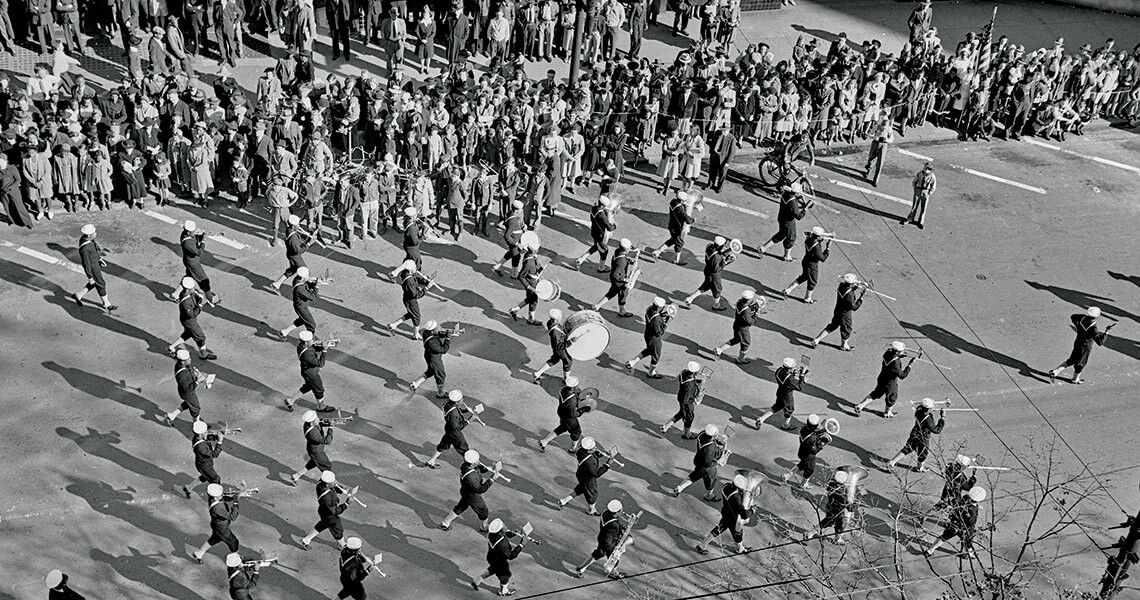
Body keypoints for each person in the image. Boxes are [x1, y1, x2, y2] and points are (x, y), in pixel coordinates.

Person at [1048, 306, 1113, 384]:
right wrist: (1106, 332)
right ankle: (1075, 379)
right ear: (1096, 316)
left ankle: (1056, 371)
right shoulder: (1093, 329)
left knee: (1072, 359)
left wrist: (1077, 325)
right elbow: (1100, 342)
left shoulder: (1082, 318)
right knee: (1081, 364)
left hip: (1078, 342)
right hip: (1085, 347)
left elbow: (1073, 316)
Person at [694, 474, 754, 555]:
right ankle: (740, 549)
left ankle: (702, 545)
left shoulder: (726, 486)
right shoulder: (735, 497)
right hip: (733, 517)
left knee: (719, 528)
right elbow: (744, 514)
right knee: (738, 533)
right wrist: (753, 509)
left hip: (726, 512)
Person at [853, 342, 917, 417]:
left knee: (876, 393)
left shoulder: (887, 353)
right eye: (901, 351)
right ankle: (887, 413)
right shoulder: (895, 363)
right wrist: (910, 365)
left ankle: (860, 406)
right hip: (890, 382)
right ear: (897, 352)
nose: (903, 352)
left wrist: (900, 355)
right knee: (892, 397)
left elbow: (894, 357)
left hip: (882, 377)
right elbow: (902, 375)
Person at [470, 518, 531, 595]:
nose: (506, 527)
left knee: (494, 568)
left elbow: (506, 533)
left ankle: (477, 580)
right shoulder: (502, 544)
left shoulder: (491, 534)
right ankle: (502, 591)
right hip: (500, 560)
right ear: (500, 532)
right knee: (506, 575)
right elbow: (511, 555)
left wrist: (514, 533)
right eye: (504, 526)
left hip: (491, 557)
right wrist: (521, 544)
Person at [884, 398, 945, 472]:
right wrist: (942, 418)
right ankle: (920, 468)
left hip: (915, 432)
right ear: (928, 409)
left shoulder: (918, 410)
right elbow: (936, 430)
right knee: (923, 452)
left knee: (908, 448)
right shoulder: (928, 419)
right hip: (923, 436)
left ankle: (892, 462)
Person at [440, 449, 495, 531]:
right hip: (473, 496)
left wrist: (487, 469)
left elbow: (478, 470)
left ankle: (445, 522)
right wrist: (492, 479)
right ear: (472, 463)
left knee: (461, 507)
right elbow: (480, 489)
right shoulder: (471, 478)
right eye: (477, 461)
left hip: (466, 491)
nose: (479, 461)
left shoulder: (466, 465)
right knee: (483, 511)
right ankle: (484, 527)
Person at [573, 499, 630, 578]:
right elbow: (613, 532)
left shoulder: (605, 513)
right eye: (621, 511)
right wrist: (615, 549)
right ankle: (613, 572)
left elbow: (613, 523)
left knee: (598, 553)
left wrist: (622, 526)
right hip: (608, 543)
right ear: (617, 512)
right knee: (614, 558)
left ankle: (581, 568)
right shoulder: (614, 525)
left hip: (602, 537)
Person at [283, 331, 337, 412]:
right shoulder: (306, 354)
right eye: (311, 340)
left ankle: (290, 400)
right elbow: (320, 363)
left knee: (308, 386)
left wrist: (321, 346)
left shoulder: (302, 346)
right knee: (319, 390)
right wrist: (324, 350)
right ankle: (321, 407)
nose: (313, 341)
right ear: (306, 342)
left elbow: (313, 348)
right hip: (311, 374)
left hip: (307, 372)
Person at [809, 274, 865, 351]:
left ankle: (817, 339)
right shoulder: (850, 295)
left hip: (838, 310)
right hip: (845, 314)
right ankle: (844, 345)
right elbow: (854, 307)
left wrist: (855, 288)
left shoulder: (841, 286)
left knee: (833, 325)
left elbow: (848, 289)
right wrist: (860, 299)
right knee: (847, 329)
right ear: (851, 283)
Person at [557, 437, 612, 514]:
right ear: (589, 450)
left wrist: (600, 454)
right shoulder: (590, 462)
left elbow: (592, 454)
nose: (596, 448)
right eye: (593, 448)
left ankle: (564, 500)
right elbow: (596, 473)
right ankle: (591, 510)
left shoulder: (581, 450)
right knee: (593, 494)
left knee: (581, 488)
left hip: (581, 474)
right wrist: (607, 465)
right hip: (588, 477)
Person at [925, 486, 985, 557]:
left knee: (944, 537)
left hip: (954, 523)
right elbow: (971, 523)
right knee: (968, 541)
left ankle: (930, 550)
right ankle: (970, 554)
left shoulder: (965, 498)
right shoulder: (973, 512)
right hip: (964, 528)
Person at [671, 424, 724, 500]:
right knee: (711, 479)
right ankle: (709, 495)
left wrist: (716, 442)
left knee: (695, 475)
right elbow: (708, 463)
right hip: (706, 467)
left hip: (698, 460)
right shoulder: (710, 448)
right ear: (713, 436)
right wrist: (718, 461)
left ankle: (680, 487)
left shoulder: (701, 435)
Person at [168, 277, 217, 360]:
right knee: (201, 337)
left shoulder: (186, 293)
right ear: (187, 290)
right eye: (192, 288)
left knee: (188, 334)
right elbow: (192, 314)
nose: (194, 289)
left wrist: (202, 298)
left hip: (187, 321)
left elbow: (195, 296)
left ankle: (172, 347)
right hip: (190, 322)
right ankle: (203, 354)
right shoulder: (186, 303)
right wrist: (200, 305)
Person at [300, 470, 351, 550]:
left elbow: (333, 487)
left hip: (323, 511)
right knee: (338, 529)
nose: (334, 482)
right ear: (327, 484)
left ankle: (306, 540)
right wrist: (347, 504)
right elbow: (335, 511)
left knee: (323, 524)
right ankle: (343, 545)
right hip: (330, 514)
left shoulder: (320, 484)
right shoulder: (327, 497)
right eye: (333, 481)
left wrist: (343, 490)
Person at [72, 224, 117, 312]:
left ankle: (79, 295)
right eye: (93, 233)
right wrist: (90, 277)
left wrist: (99, 259)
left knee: (95, 283)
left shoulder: (87, 239)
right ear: (89, 235)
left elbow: (94, 251)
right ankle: (106, 304)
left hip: (95, 263)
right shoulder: (85, 248)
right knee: (101, 284)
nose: (95, 234)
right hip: (93, 268)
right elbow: (86, 263)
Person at [424, 390, 474, 468]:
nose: (463, 400)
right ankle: (470, 465)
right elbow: (456, 428)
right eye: (461, 399)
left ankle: (431, 461)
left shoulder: (448, 404)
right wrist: (469, 420)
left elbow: (456, 411)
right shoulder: (453, 414)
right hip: (454, 433)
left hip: (448, 428)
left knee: (443, 445)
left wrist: (465, 410)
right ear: (456, 402)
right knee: (463, 448)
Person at [625, 298, 672, 378]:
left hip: (647, 334)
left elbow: (657, 316)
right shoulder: (657, 319)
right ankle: (651, 372)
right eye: (663, 307)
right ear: (659, 308)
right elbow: (659, 333)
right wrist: (667, 323)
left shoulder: (649, 309)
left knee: (650, 350)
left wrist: (664, 314)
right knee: (656, 355)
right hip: (654, 339)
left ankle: (632, 362)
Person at [192, 483, 240, 563]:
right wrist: (236, 502)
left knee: (215, 539)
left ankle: (199, 553)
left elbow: (223, 499)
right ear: (215, 496)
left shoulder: (214, 499)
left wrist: (233, 496)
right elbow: (232, 517)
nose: (222, 495)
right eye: (221, 494)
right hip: (222, 528)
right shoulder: (217, 508)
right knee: (234, 542)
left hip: (217, 526)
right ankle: (235, 560)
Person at [682, 236, 733, 310]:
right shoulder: (717, 257)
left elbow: (718, 253)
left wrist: (728, 251)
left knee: (706, 286)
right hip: (714, 275)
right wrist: (726, 262)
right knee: (717, 289)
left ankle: (689, 299)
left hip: (707, 270)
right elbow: (717, 268)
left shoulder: (709, 247)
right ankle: (716, 305)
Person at [781, 228, 831, 303]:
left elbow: (814, 242)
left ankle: (788, 290)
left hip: (806, 261)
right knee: (813, 281)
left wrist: (819, 241)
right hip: (812, 265)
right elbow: (822, 258)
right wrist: (828, 248)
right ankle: (808, 298)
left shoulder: (809, 239)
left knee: (804, 277)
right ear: (817, 237)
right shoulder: (816, 246)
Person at [758, 184, 807, 261]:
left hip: (781, 217)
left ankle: (763, 248)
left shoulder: (786, 194)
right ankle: (787, 256)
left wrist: (798, 197)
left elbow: (792, 199)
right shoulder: (793, 203)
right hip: (788, 222)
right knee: (791, 238)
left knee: (781, 234)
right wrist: (805, 209)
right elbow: (798, 216)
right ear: (796, 193)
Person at [753, 357, 806, 430]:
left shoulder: (778, 371)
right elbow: (800, 387)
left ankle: (761, 419)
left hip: (780, 391)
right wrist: (802, 375)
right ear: (790, 368)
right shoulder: (790, 380)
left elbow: (786, 377)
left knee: (777, 406)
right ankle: (786, 425)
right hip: (787, 396)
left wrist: (793, 374)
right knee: (789, 410)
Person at [590, 238, 638, 316]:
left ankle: (598, 305)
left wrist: (630, 261)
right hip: (619, 281)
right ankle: (622, 311)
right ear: (626, 250)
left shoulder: (617, 251)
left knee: (612, 292)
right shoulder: (622, 262)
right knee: (623, 295)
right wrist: (626, 279)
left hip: (615, 280)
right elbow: (615, 274)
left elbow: (623, 259)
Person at [714, 290, 762, 363]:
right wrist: (756, 314)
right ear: (749, 299)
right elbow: (750, 322)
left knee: (736, 339)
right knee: (746, 343)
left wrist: (753, 308)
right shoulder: (746, 311)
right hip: (743, 329)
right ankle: (740, 359)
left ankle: (719, 349)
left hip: (737, 325)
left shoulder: (739, 302)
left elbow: (746, 310)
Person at [538, 376, 584, 452]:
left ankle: (544, 441)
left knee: (563, 427)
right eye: (576, 386)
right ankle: (573, 448)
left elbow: (571, 397)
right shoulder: (572, 402)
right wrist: (583, 410)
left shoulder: (563, 390)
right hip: (568, 417)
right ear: (573, 388)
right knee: (576, 432)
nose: (578, 387)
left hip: (561, 411)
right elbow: (573, 414)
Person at [652, 191, 699, 265]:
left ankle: (658, 251)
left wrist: (684, 205)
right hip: (677, 228)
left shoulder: (673, 202)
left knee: (673, 240)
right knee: (679, 243)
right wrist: (693, 220)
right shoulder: (680, 210)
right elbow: (688, 220)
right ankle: (677, 260)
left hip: (672, 226)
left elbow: (679, 206)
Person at [387, 260, 431, 339]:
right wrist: (426, 289)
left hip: (407, 298)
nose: (416, 268)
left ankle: (394, 325)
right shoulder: (409, 282)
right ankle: (415, 334)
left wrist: (423, 280)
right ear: (410, 269)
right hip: (411, 301)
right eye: (414, 267)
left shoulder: (405, 273)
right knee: (417, 317)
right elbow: (415, 295)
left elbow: (415, 278)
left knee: (411, 314)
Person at [409, 320, 452, 398]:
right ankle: (440, 393)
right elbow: (443, 350)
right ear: (432, 330)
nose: (438, 328)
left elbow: (436, 334)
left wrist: (445, 333)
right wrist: (448, 339)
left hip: (429, 356)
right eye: (437, 327)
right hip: (434, 359)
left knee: (431, 371)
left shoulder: (426, 333)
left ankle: (416, 383)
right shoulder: (432, 343)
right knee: (441, 375)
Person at [660, 361, 704, 438]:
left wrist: (697, 382)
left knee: (682, 413)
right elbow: (686, 399)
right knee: (689, 417)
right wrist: (696, 400)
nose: (699, 372)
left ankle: (666, 426)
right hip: (687, 403)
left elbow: (690, 381)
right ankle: (686, 434)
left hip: (680, 396)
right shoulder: (689, 386)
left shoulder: (684, 373)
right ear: (694, 373)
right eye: (697, 371)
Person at [182, 420, 223, 498]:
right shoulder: (201, 447)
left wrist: (215, 436)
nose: (207, 433)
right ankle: (215, 496)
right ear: (200, 434)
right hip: (205, 465)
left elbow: (206, 438)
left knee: (205, 476)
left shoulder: (197, 437)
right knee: (215, 478)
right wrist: (219, 442)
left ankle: (188, 488)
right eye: (206, 432)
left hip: (202, 463)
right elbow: (214, 454)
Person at [290, 410, 334, 482]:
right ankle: (325, 483)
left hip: (314, 450)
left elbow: (320, 423)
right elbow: (327, 441)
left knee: (314, 463)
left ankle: (297, 475)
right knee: (327, 467)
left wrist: (328, 422)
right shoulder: (312, 433)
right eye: (316, 419)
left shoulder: (311, 424)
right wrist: (331, 428)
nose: (318, 419)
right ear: (311, 423)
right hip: (317, 452)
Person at [574, 196, 617, 271]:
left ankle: (581, 259)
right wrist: (615, 225)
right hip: (601, 235)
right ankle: (601, 267)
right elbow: (609, 228)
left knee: (596, 247)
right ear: (603, 205)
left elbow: (600, 214)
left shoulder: (593, 208)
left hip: (594, 232)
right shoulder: (602, 215)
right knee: (604, 251)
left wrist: (607, 211)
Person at [270, 215, 312, 291]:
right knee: (305, 271)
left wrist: (305, 238)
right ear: (293, 226)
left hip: (291, 254)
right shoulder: (293, 237)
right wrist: (308, 244)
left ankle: (277, 284)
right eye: (297, 225)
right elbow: (298, 250)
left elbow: (297, 241)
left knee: (292, 270)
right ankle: (303, 290)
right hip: (295, 256)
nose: (299, 226)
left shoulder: (289, 231)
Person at [279, 267, 324, 337]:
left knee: (303, 320)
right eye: (308, 276)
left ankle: (285, 331)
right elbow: (312, 297)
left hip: (301, 306)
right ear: (303, 278)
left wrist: (313, 282)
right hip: (301, 308)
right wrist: (317, 286)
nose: (309, 277)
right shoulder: (300, 289)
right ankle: (308, 339)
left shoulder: (297, 280)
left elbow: (306, 283)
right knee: (311, 324)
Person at [165, 348, 206, 424]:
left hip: (183, 391)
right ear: (183, 362)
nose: (190, 359)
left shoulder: (180, 366)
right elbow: (188, 389)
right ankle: (196, 424)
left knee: (190, 403)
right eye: (188, 359)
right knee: (196, 408)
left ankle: (173, 414)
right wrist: (198, 381)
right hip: (188, 393)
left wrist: (196, 374)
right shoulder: (182, 375)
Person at [508, 239, 543, 325]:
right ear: (534, 250)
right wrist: (529, 287)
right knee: (534, 301)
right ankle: (531, 319)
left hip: (534, 281)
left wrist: (539, 268)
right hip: (531, 283)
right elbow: (521, 276)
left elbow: (535, 266)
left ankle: (515, 310)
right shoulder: (528, 262)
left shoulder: (532, 256)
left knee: (530, 299)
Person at [532, 309, 572, 383]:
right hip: (560, 349)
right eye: (560, 318)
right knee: (568, 361)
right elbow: (560, 345)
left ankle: (537, 373)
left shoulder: (550, 323)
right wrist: (571, 341)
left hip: (555, 347)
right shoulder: (555, 332)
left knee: (555, 359)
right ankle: (566, 379)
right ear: (556, 320)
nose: (561, 319)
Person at [492, 201, 525, 277]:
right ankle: (514, 274)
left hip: (515, 238)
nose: (521, 211)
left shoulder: (509, 213)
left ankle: (498, 266)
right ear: (516, 210)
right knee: (516, 256)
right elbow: (507, 235)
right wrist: (516, 243)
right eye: (520, 210)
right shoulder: (513, 221)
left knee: (511, 253)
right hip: (515, 240)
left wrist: (523, 226)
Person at [819, 471, 851, 544]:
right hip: (837, 509)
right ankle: (809, 533)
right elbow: (846, 503)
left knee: (832, 522)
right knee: (834, 522)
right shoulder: (839, 491)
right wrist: (851, 508)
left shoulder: (832, 485)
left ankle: (837, 538)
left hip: (831, 506)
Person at [863, 117, 894, 187]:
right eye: (883, 126)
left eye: (885, 127)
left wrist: (887, 140)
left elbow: (892, 139)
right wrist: (875, 137)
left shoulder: (889, 129)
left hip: (884, 145)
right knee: (871, 158)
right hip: (876, 143)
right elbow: (870, 134)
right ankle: (868, 170)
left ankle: (876, 180)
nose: (883, 128)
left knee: (880, 162)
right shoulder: (877, 127)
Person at [905, 162, 936, 229]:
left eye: (927, 168)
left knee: (923, 208)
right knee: (914, 206)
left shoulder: (932, 176)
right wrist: (915, 189)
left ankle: (920, 222)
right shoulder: (919, 173)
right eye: (925, 168)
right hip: (918, 190)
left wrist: (929, 193)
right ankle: (910, 218)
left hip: (926, 191)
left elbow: (933, 186)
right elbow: (914, 181)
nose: (925, 169)